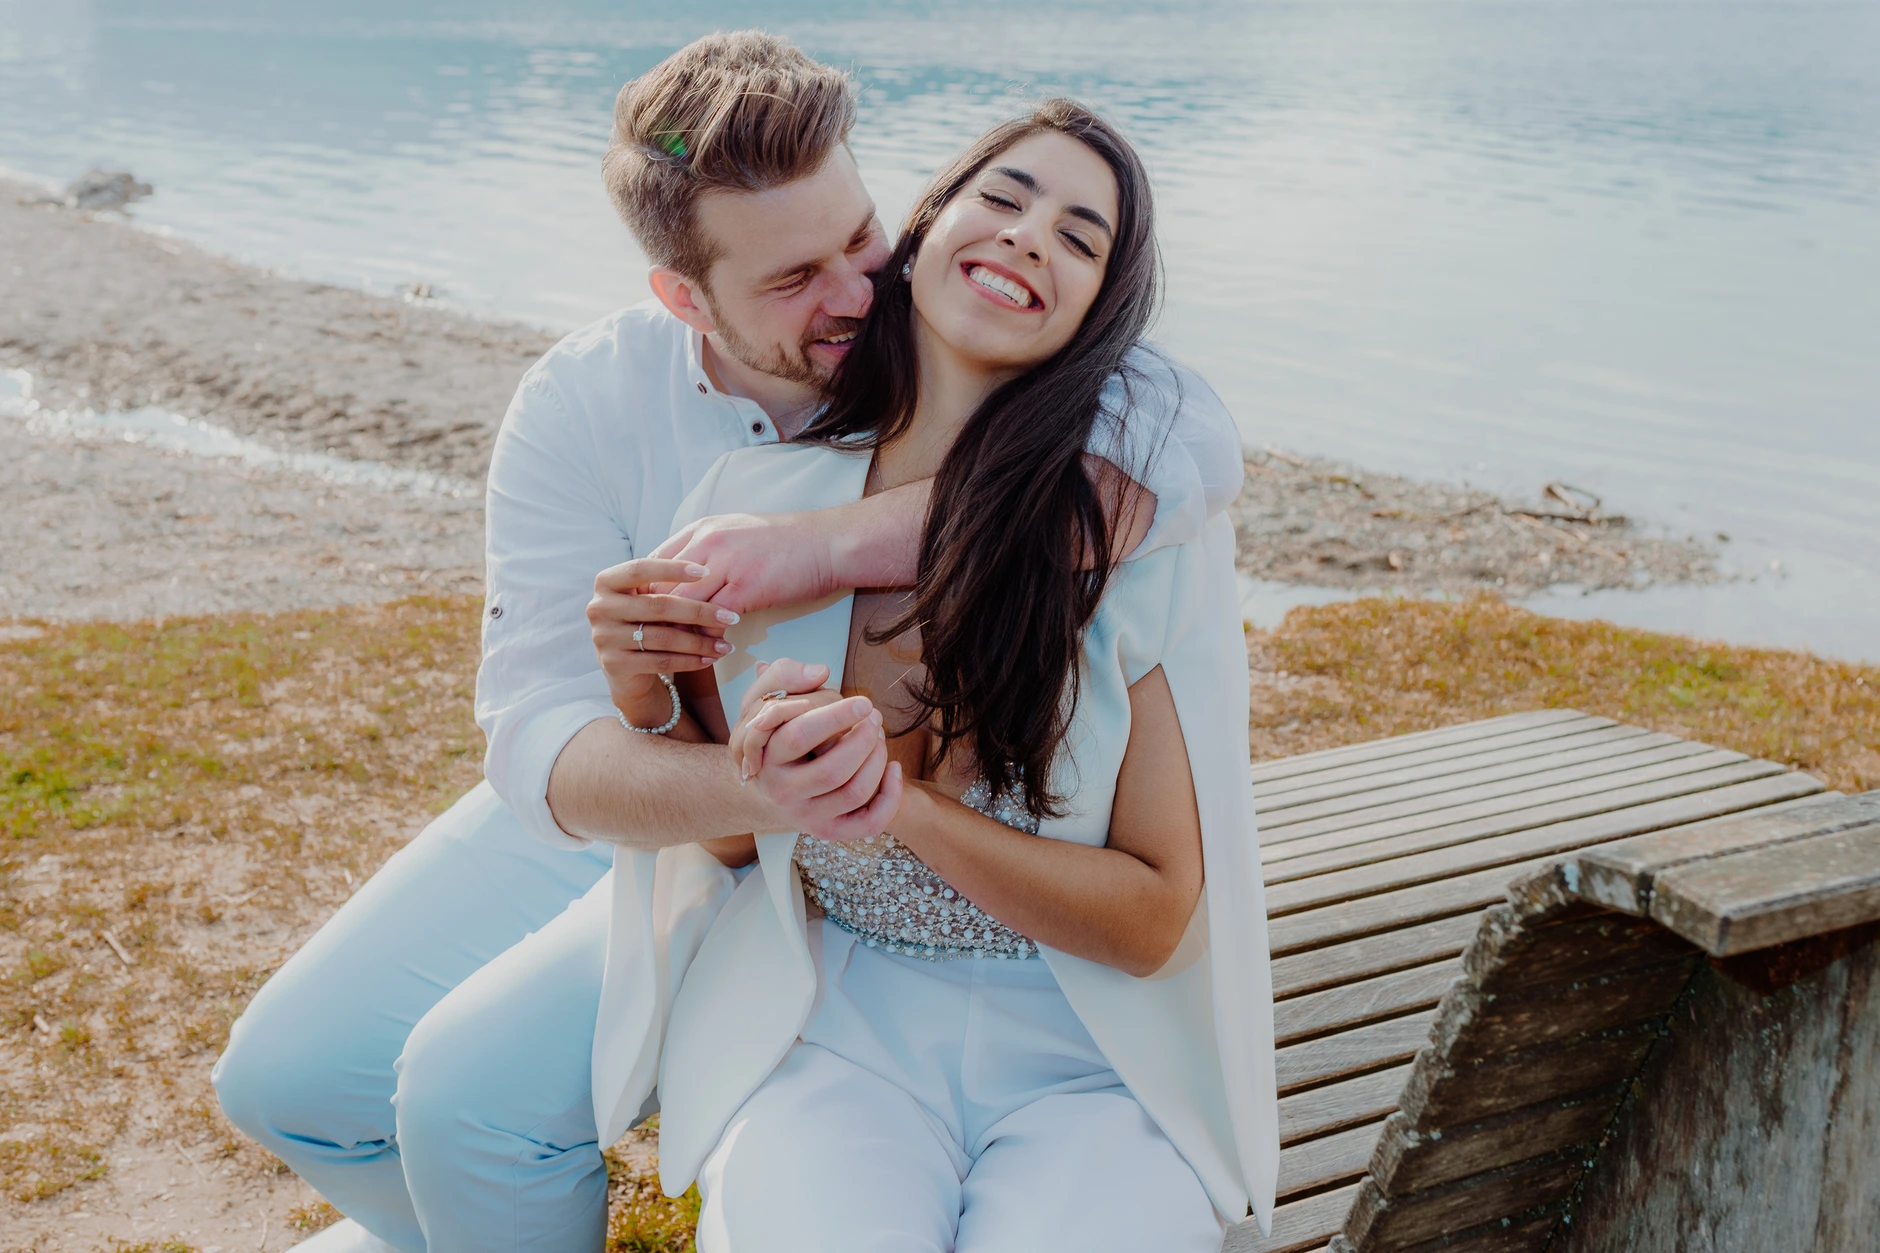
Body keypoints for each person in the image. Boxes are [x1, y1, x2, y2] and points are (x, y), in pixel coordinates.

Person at [208, 32, 1246, 1253]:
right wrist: (682, 713)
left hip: (830, 853)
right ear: (683, 297)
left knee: (466, 1092)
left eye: (861, 237)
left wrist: (817, 550)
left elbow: (1171, 444)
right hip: (652, 791)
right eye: (793, 278)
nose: (854, 293)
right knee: (282, 1084)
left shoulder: (1017, 365)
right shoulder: (584, 405)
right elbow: (544, 740)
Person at [592, 99, 1277, 1253]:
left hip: (1088, 1053)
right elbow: (730, 848)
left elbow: (1154, 915)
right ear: (921, 233)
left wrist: (897, 809)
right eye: (1003, 200)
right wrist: (641, 690)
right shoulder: (741, 514)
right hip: (838, 1020)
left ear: (1098, 310)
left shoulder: (1134, 534)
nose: (1025, 238)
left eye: (1078, 237)